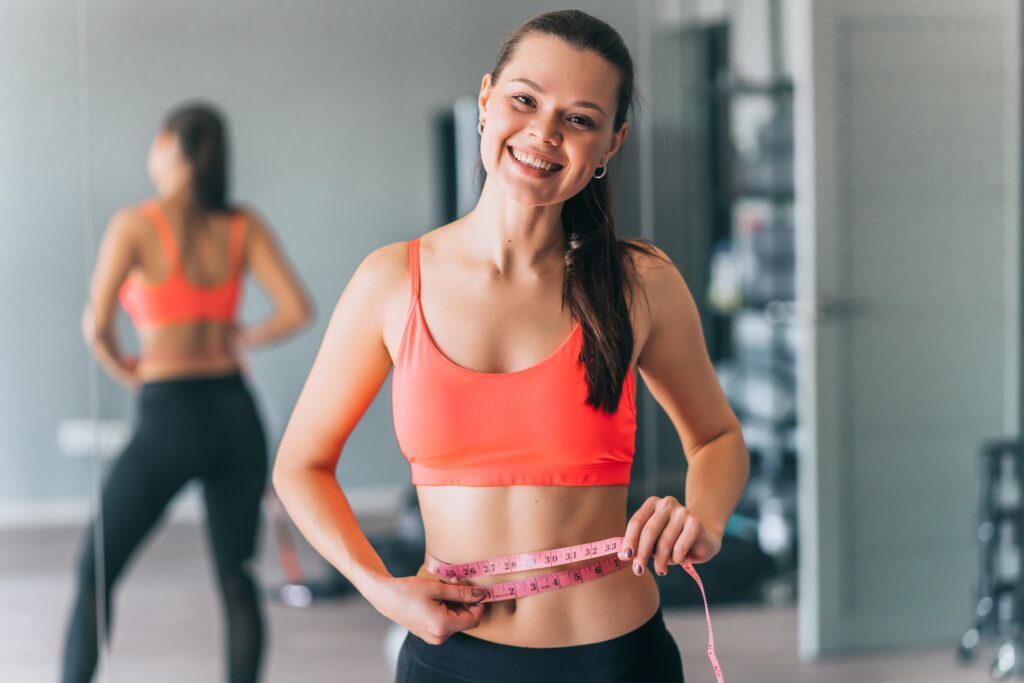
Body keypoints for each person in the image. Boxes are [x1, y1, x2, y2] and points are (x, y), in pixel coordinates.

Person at [272, 10, 748, 683]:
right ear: (487, 99)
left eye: (580, 118)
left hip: (615, 658)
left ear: (613, 143)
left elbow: (717, 437)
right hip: (449, 661)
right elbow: (300, 464)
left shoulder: (641, 282)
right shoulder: (391, 281)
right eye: (525, 100)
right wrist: (378, 587)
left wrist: (704, 515)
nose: (544, 133)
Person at [62, 103, 312, 683]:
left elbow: (95, 327)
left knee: (94, 572)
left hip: (169, 413)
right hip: (234, 414)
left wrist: (130, 370)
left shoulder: (135, 224)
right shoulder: (241, 225)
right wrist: (242, 332)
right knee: (237, 578)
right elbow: (298, 309)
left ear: (171, 144)